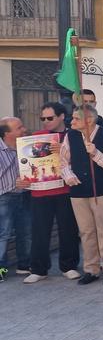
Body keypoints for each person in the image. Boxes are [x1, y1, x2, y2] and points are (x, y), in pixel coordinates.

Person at [60, 105, 103, 286]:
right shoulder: (70, 135)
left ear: (89, 120)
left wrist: (94, 153)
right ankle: (91, 269)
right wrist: (68, 176)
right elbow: (63, 160)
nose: (71, 122)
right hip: (78, 191)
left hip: (101, 190)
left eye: (76, 119)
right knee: (86, 232)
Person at [23, 103, 81, 284]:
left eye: (50, 118)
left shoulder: (73, 136)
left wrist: (65, 150)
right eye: (43, 119)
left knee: (68, 230)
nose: (46, 122)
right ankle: (38, 269)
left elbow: (82, 161)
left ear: (62, 116)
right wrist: (23, 179)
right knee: (39, 231)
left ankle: (69, 266)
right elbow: (26, 163)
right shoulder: (35, 137)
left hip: (66, 190)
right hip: (40, 192)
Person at [0, 117, 31, 281]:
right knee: (3, 234)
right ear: (7, 133)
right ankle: (0, 268)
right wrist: (14, 182)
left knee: (25, 231)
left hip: (24, 195)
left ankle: (24, 265)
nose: (24, 129)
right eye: (19, 128)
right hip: (4, 197)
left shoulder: (24, 146)